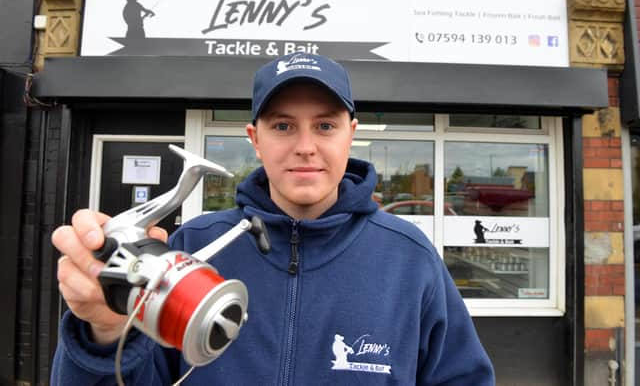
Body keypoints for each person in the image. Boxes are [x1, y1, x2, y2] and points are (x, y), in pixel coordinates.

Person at [51, 52, 495, 385]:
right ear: (255, 139)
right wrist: (104, 331)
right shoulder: (191, 248)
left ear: (351, 136)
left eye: (325, 126)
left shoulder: (409, 259)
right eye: (283, 126)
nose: (305, 146)